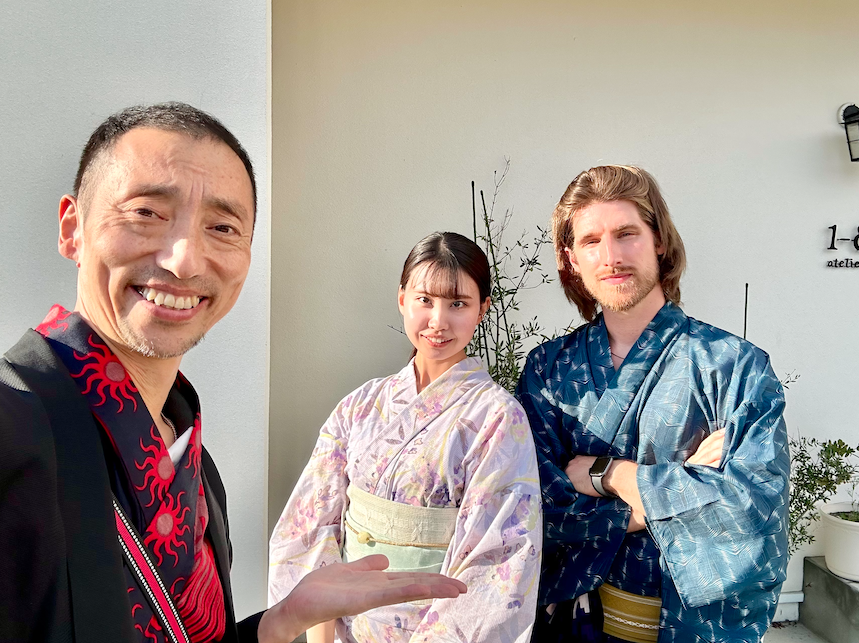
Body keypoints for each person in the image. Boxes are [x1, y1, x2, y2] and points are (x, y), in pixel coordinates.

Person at [0, 102, 466, 643]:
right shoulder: (13, 430)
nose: (184, 260)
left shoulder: (198, 472)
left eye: (221, 227)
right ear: (73, 229)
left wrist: (282, 620)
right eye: (146, 212)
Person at [516, 165, 789, 643]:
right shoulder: (549, 370)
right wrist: (676, 491)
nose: (612, 257)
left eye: (627, 234)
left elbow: (751, 508)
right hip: (570, 625)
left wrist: (612, 476)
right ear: (571, 259)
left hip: (682, 628)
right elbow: (531, 506)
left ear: (658, 239)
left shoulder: (732, 367)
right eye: (591, 241)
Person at [269, 231, 543, 643]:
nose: (438, 321)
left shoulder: (498, 418)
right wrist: (321, 632)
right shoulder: (360, 405)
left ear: (483, 309)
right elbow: (312, 522)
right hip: (340, 631)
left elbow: (496, 561)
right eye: (424, 300)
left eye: (458, 304)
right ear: (402, 299)